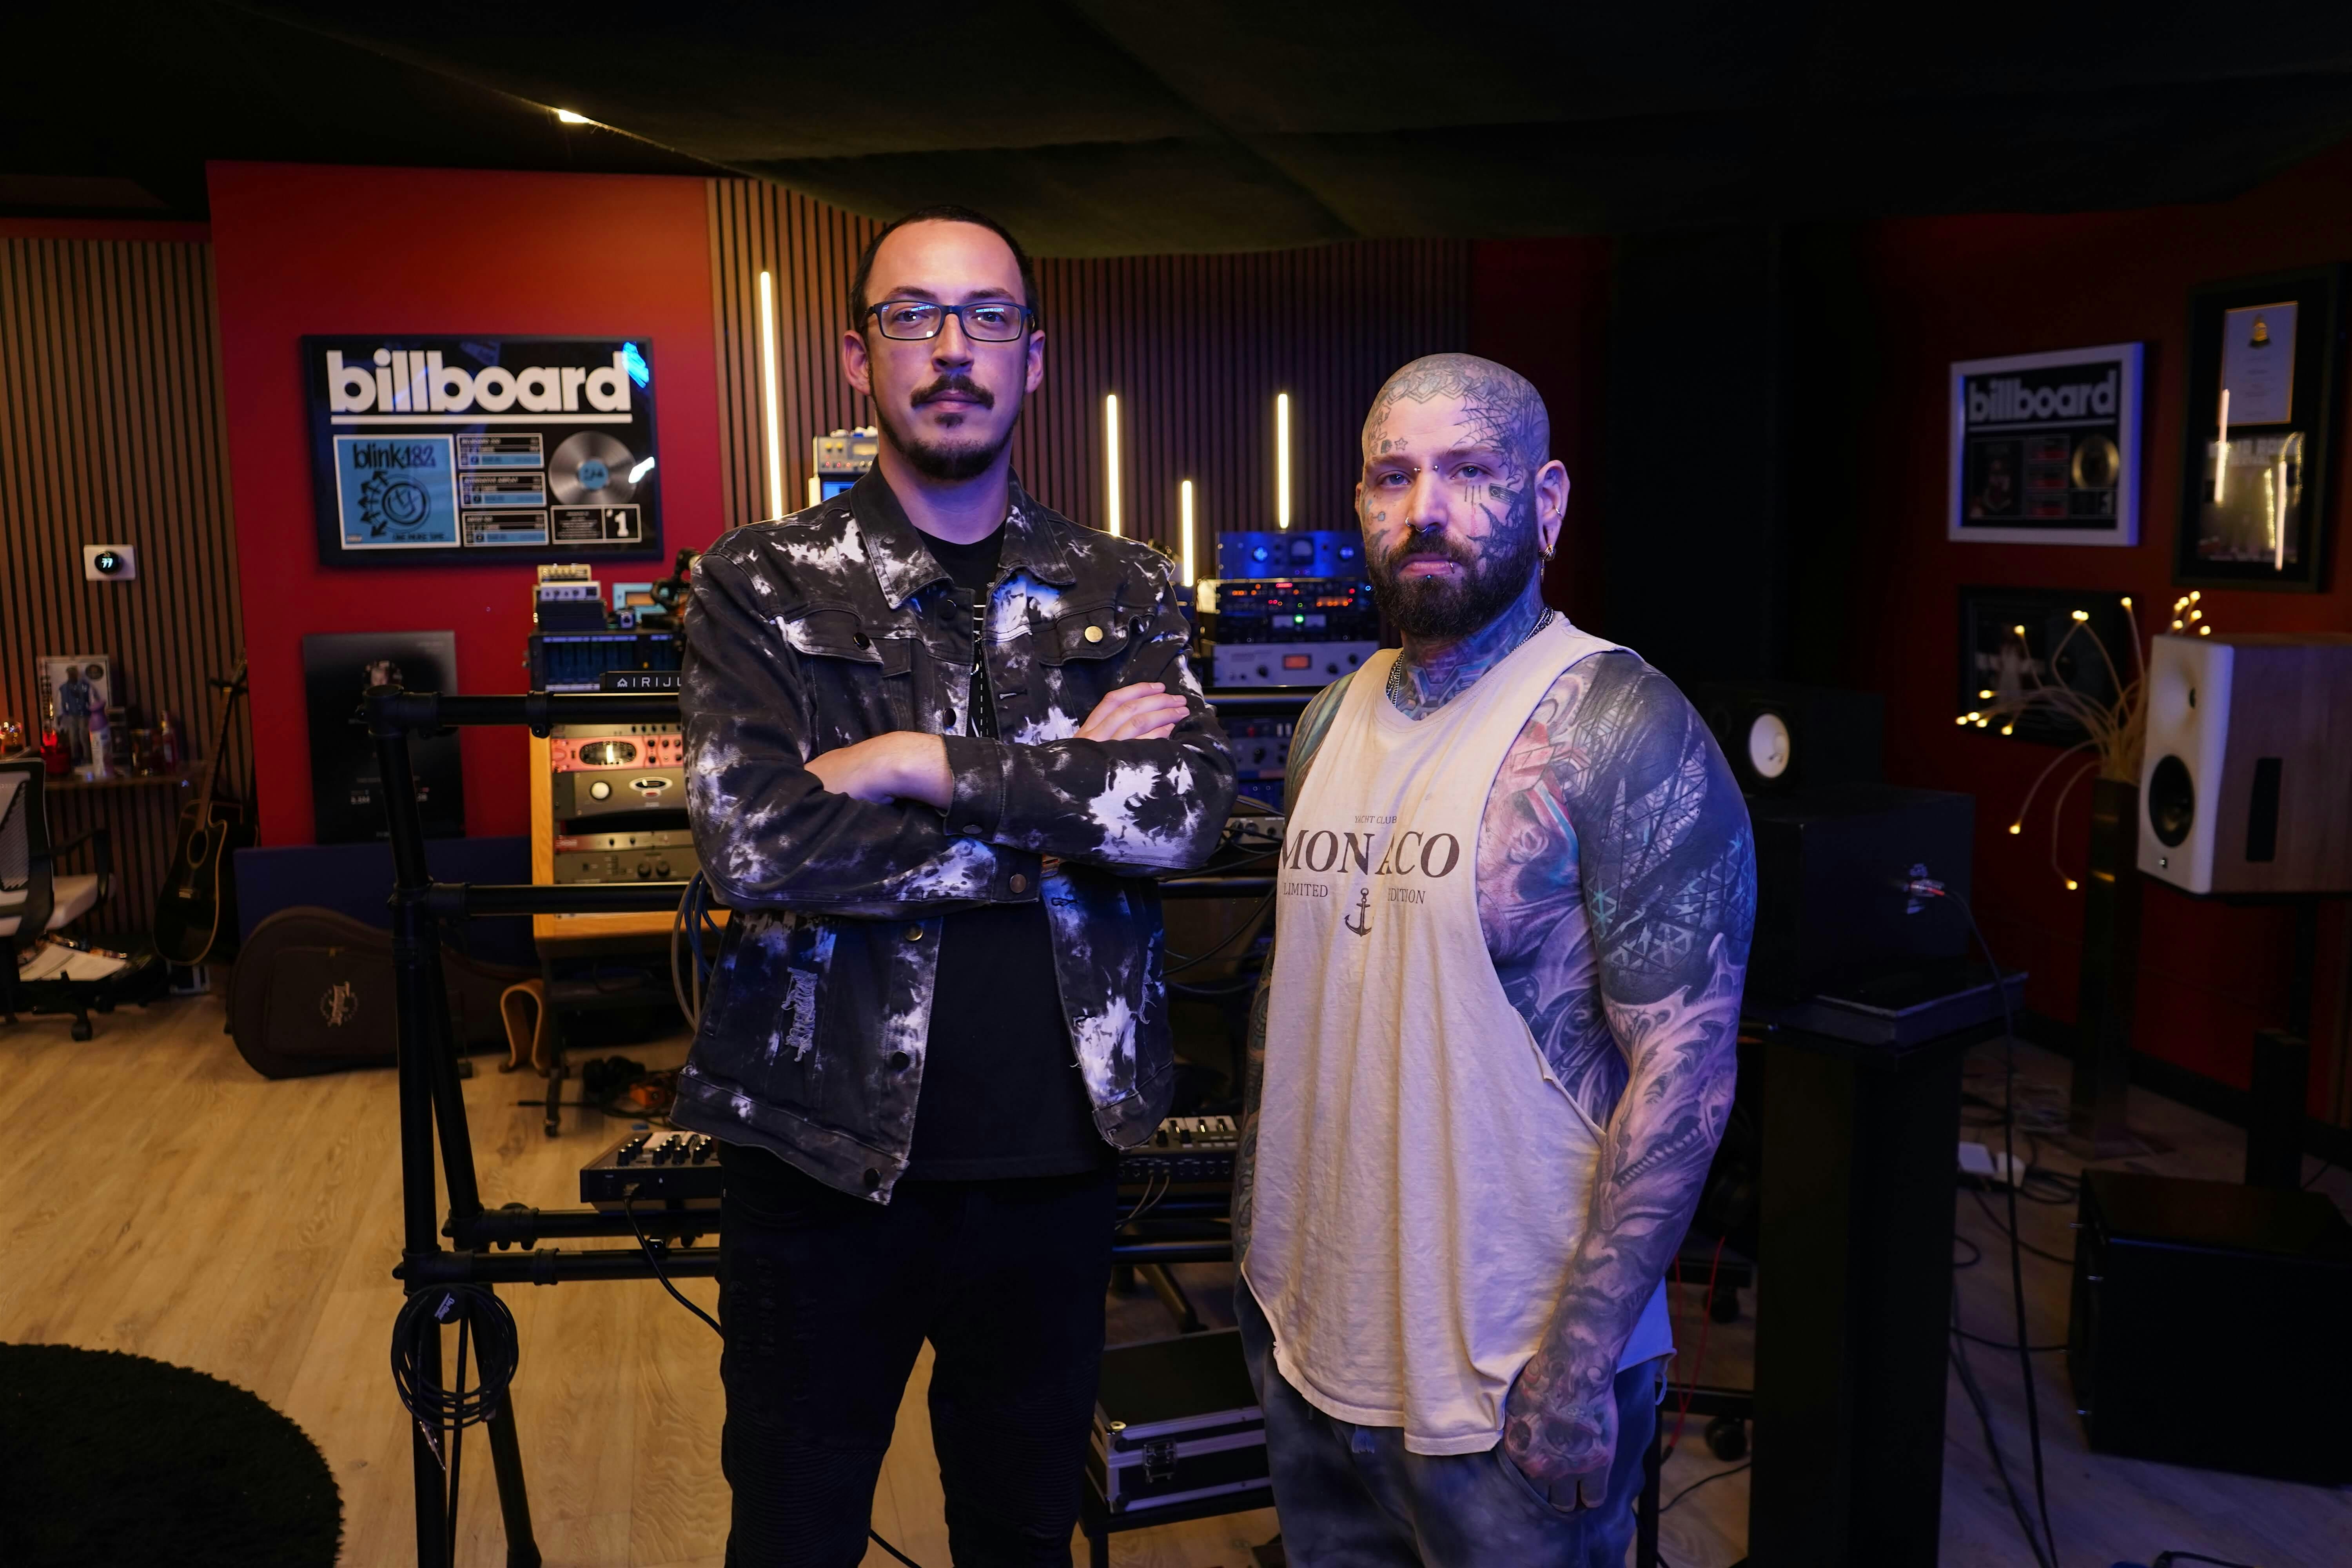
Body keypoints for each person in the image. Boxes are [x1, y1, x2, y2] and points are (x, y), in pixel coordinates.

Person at [673, 204, 1236, 1567]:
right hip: (818, 1159)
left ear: (1033, 358)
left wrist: (913, 763)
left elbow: (1183, 818)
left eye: (988, 317)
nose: (951, 350)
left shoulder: (1125, 585)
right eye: (912, 316)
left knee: (1021, 1536)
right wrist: (1061, 807)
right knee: (795, 1537)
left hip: (1057, 1162)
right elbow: (754, 843)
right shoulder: (759, 582)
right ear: (856, 356)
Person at [1235, 353, 1756, 1565]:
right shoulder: (1327, 720)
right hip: (1311, 1342)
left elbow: (1686, 1072)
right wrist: (1258, 1256)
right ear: (1360, 502)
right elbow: (1298, 997)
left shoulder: (1621, 725)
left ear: (1547, 501)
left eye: (1471, 472)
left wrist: (1577, 1367)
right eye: (1394, 476)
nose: (1426, 508)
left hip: (1510, 1380)